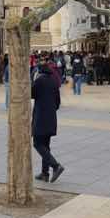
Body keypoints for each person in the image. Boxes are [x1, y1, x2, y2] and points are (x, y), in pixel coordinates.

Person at [32, 54, 64, 183]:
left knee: (37, 143)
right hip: (51, 117)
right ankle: (45, 174)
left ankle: (55, 166)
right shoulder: (54, 81)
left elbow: (31, 93)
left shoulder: (40, 80)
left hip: (40, 117)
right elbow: (58, 102)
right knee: (46, 145)